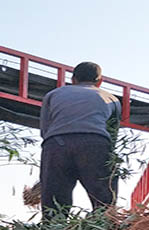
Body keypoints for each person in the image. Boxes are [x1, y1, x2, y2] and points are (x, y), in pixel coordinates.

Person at [39, 61, 121, 219]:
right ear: (100, 81)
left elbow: (45, 128)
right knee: (104, 199)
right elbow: (112, 134)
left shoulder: (53, 95)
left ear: (73, 79)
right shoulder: (111, 99)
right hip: (96, 144)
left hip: (57, 144)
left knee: (54, 200)